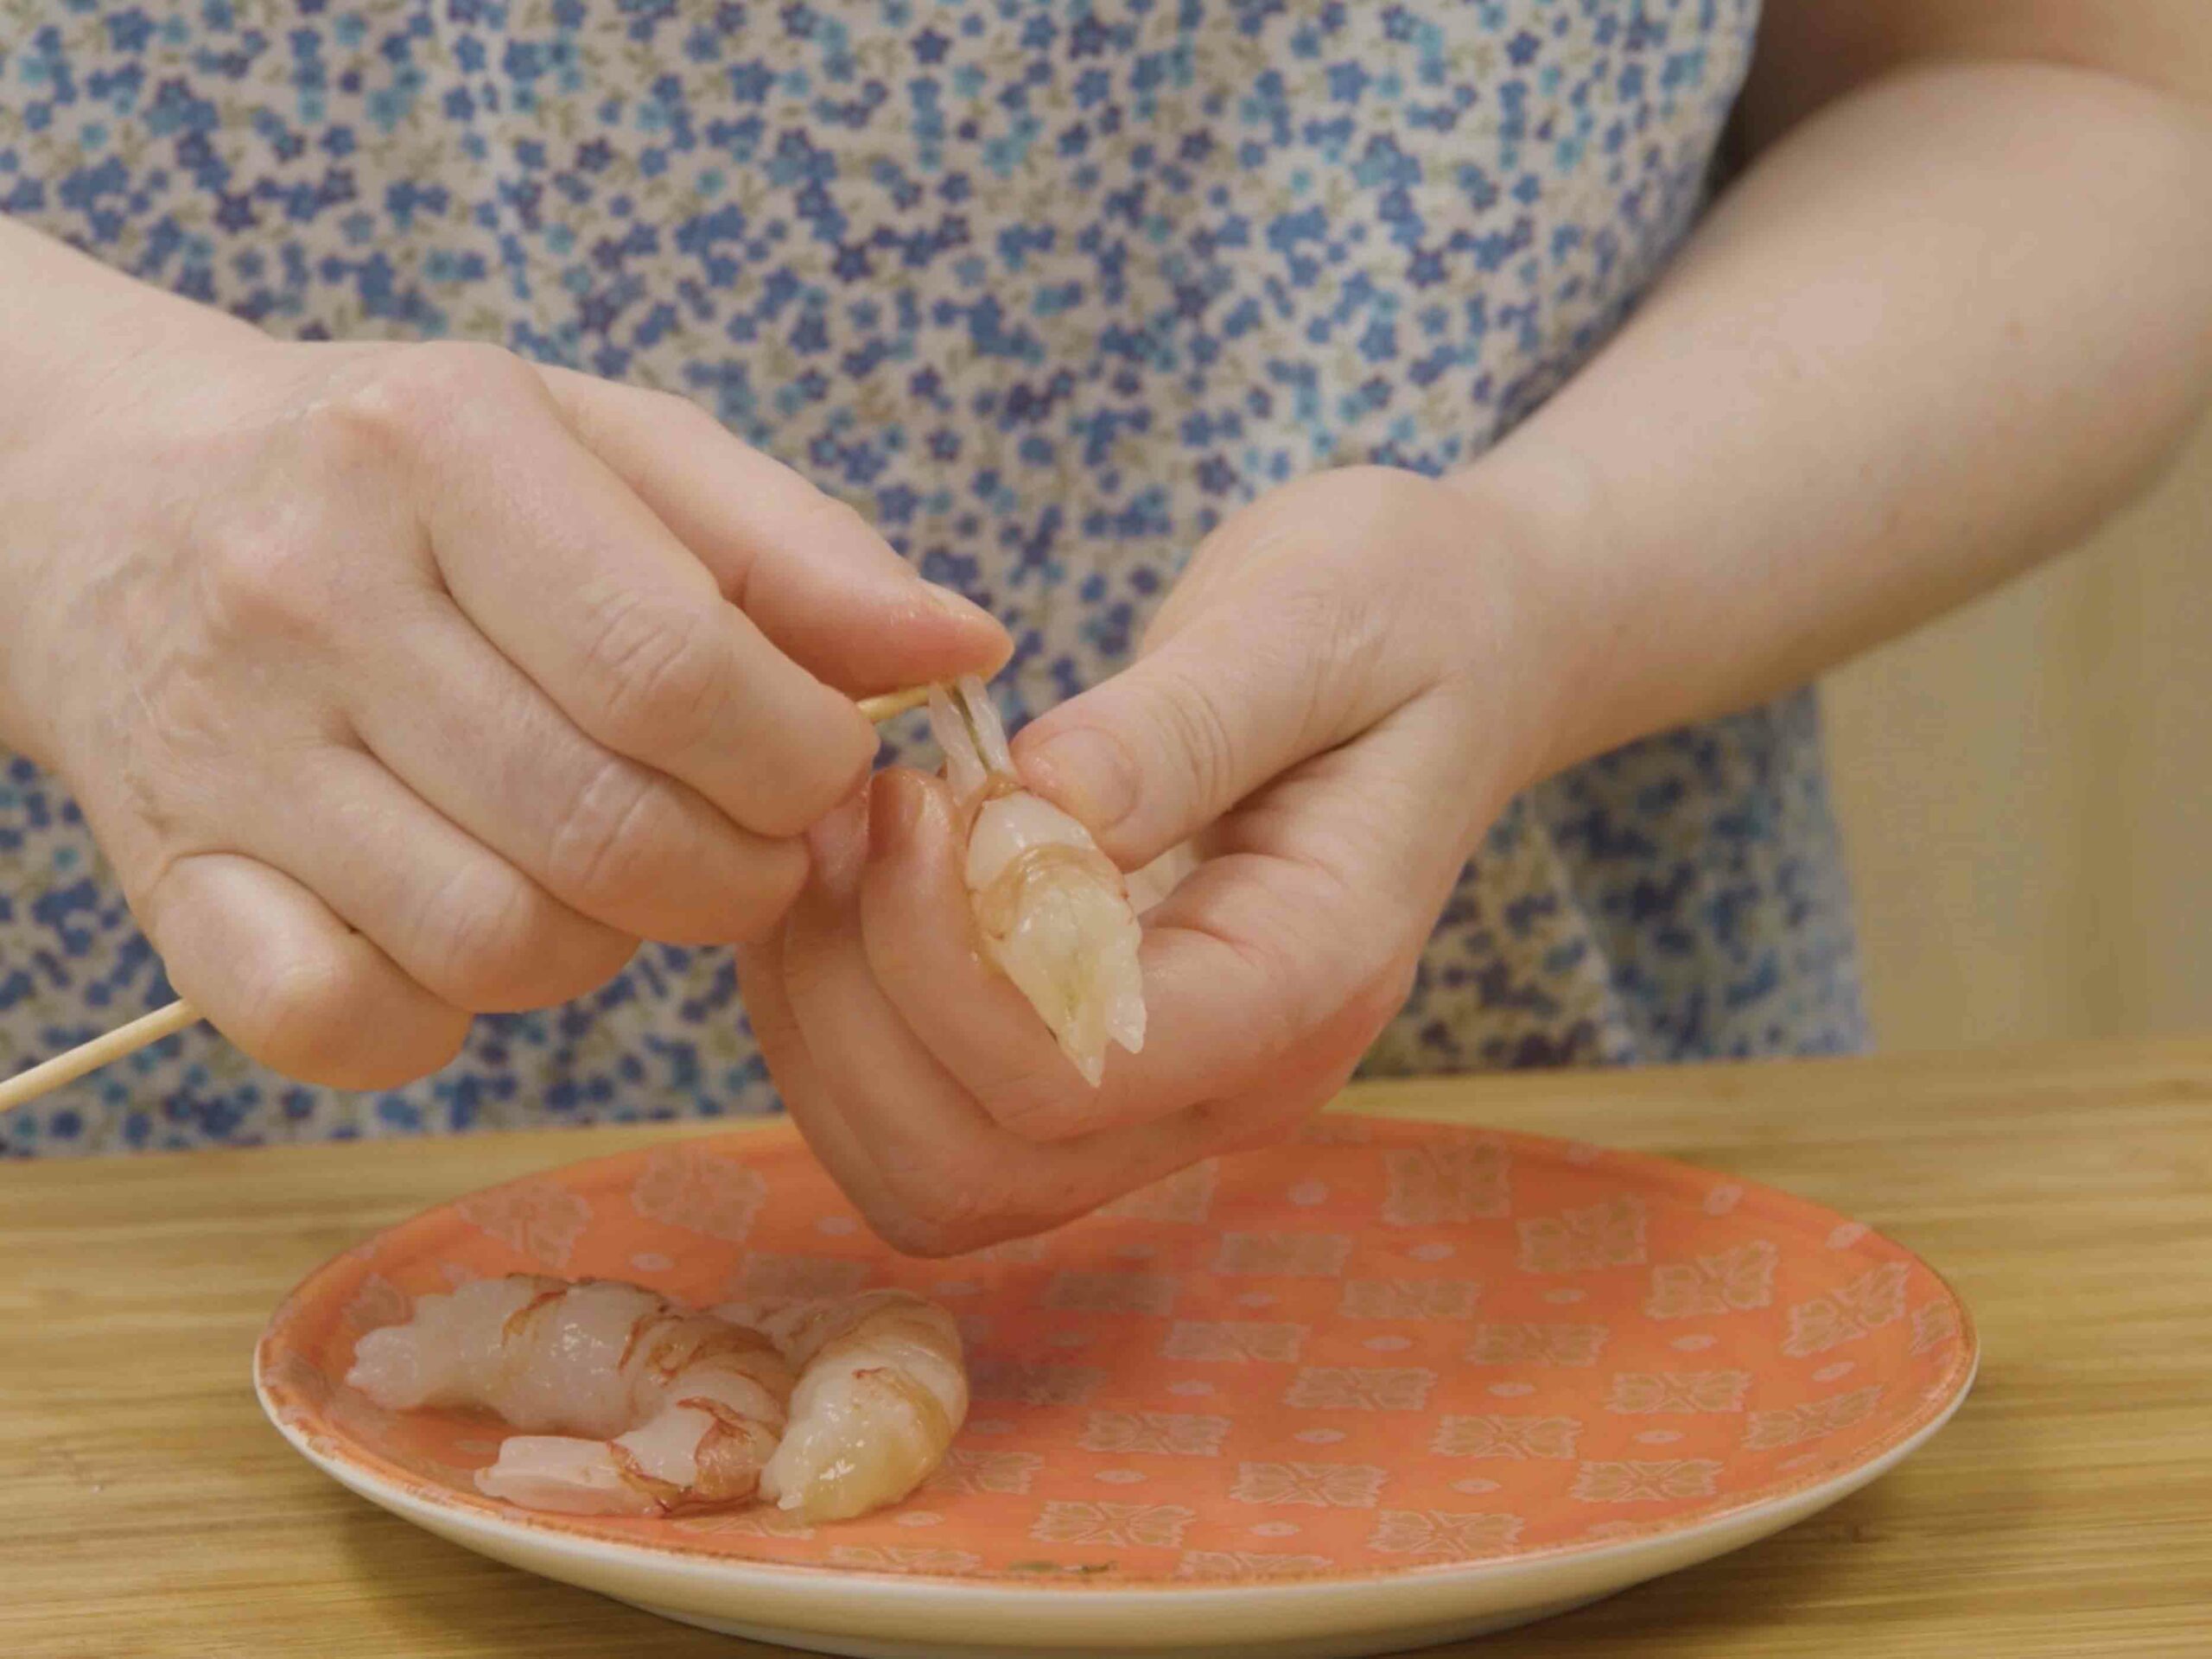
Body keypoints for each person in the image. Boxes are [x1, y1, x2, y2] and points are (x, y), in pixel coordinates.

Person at [1, 4, 2206, 1250]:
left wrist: (1547, 585)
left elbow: (2088, 87)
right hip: (140, 1304)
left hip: (1500, 1262)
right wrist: (69, 483)